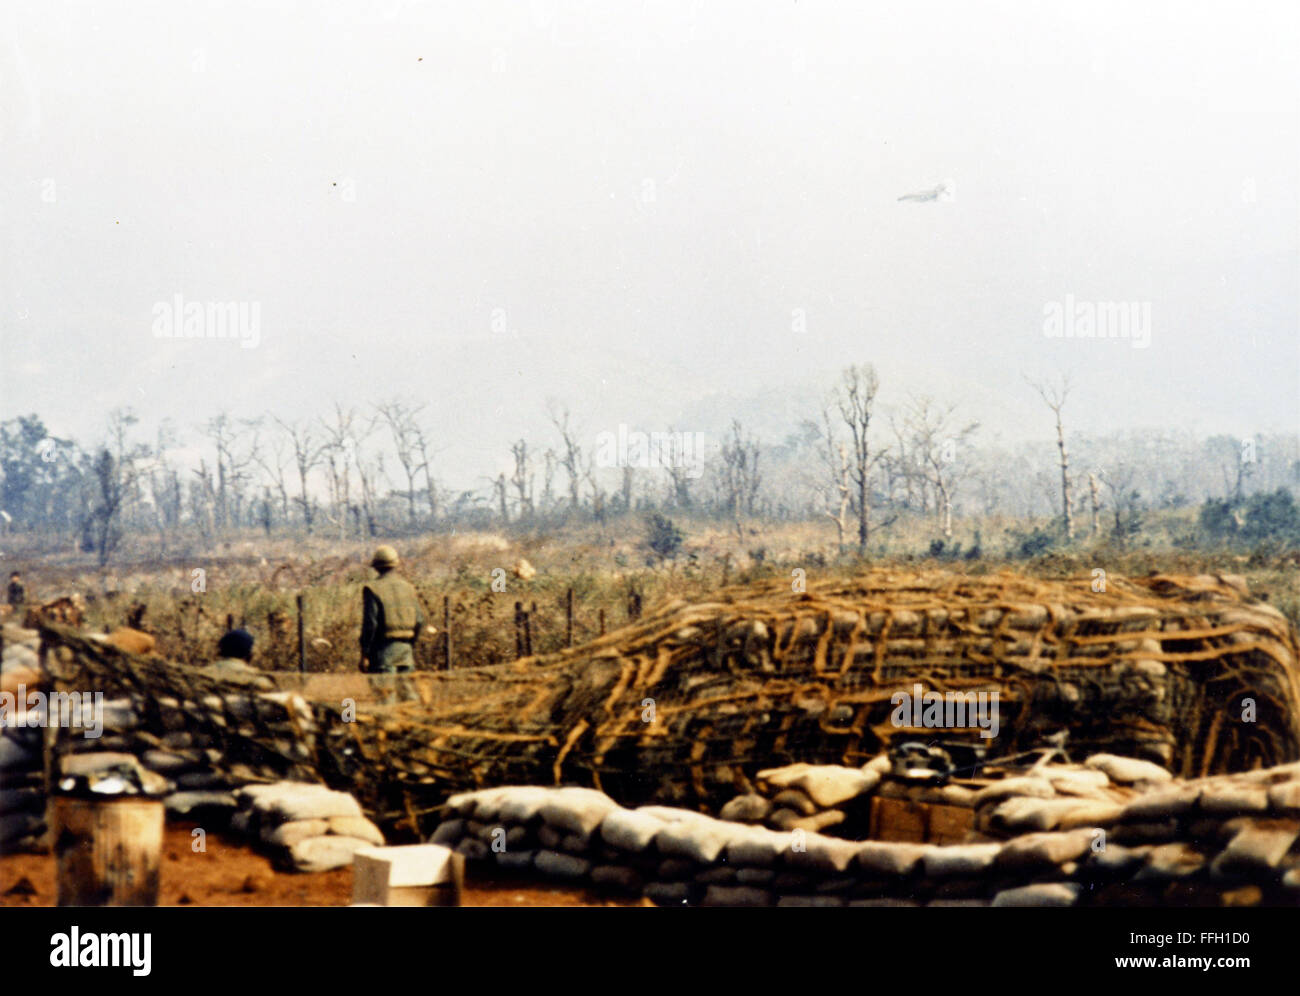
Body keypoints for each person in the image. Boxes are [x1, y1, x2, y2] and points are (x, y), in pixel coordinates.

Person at [360, 545, 424, 674]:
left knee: (386, 693)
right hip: (406, 655)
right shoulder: (408, 588)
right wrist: (410, 644)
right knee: (408, 693)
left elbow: (370, 625)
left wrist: (365, 653)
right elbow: (419, 621)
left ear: (376, 566)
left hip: (382, 655)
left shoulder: (372, 589)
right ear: (395, 564)